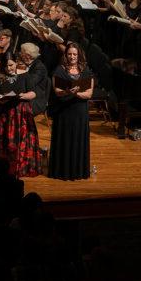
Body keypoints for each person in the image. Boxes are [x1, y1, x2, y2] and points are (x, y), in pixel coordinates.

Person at [0, 57, 42, 178]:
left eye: (11, 65)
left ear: (16, 63)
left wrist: (23, 95)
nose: (9, 68)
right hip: (1, 113)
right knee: (0, 141)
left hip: (19, 113)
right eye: (6, 66)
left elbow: (33, 93)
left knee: (18, 142)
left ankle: (19, 167)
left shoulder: (25, 75)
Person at [48, 42, 94, 180]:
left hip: (80, 112)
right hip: (64, 112)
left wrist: (75, 94)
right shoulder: (60, 70)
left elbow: (89, 94)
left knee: (78, 141)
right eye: (69, 54)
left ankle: (78, 171)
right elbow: (57, 91)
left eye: (74, 54)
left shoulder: (85, 70)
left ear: (79, 55)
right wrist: (68, 91)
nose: (72, 56)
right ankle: (62, 171)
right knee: (65, 140)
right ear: (66, 55)